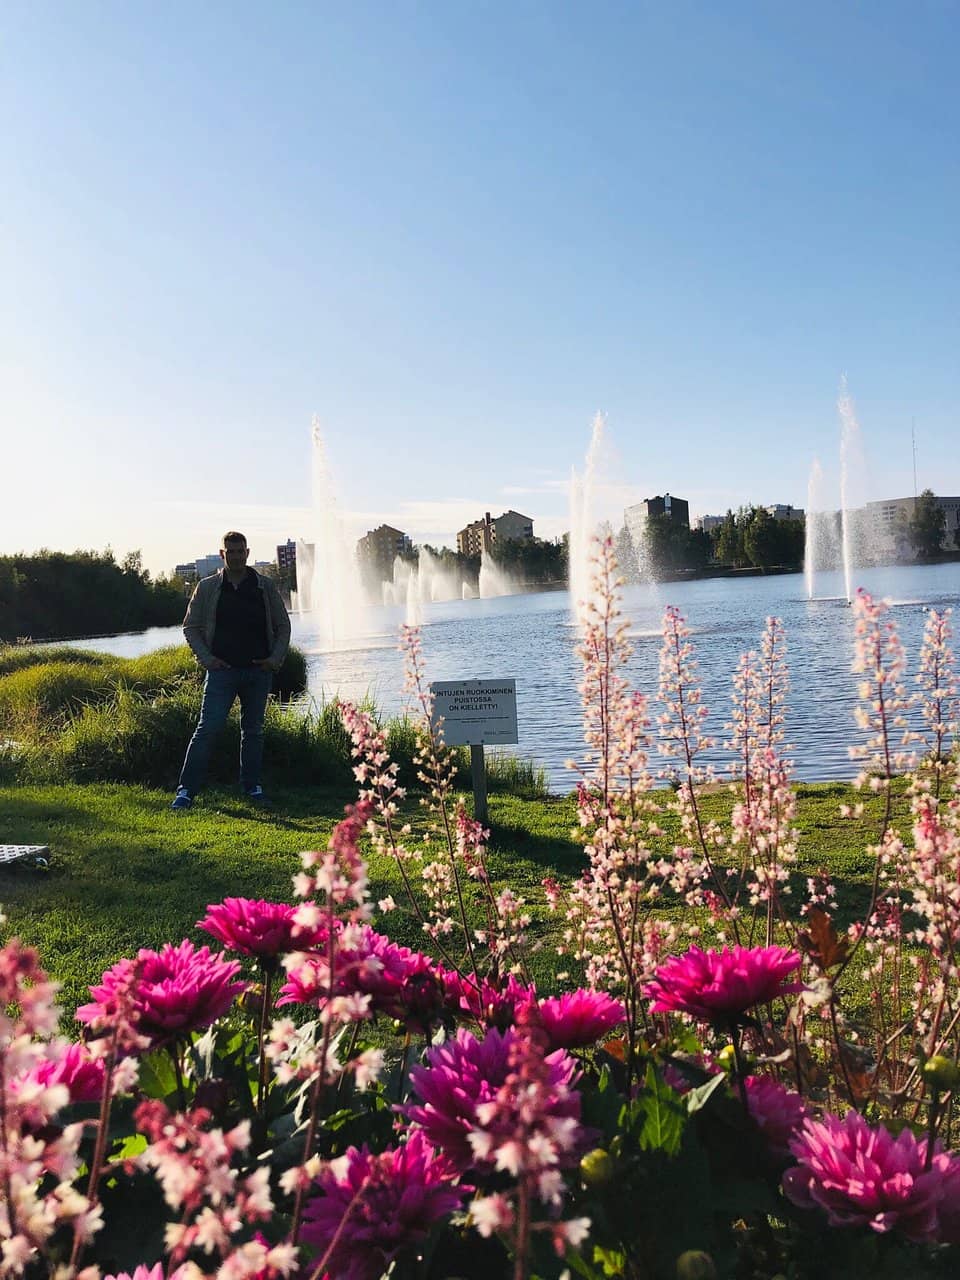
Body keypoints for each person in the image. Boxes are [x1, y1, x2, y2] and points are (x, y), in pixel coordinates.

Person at [171, 531, 291, 810]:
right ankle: (186, 791)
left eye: (240, 551)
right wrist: (207, 659)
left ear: (247, 553)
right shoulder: (207, 587)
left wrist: (274, 659)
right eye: (230, 552)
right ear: (222, 554)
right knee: (207, 729)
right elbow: (191, 627)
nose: (236, 556)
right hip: (221, 673)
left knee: (253, 731)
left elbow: (283, 625)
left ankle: (252, 788)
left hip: (258, 672)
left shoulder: (264, 586)